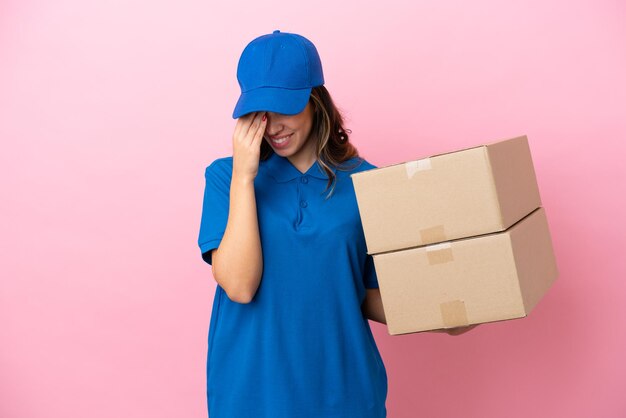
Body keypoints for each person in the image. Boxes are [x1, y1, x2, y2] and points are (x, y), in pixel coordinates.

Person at [197, 29, 476, 418]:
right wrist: (245, 177)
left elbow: (360, 293)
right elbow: (240, 286)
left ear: (315, 101)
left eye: (285, 108)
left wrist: (442, 313)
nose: (272, 125)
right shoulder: (226, 178)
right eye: (259, 112)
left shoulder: (369, 184)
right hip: (251, 396)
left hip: (341, 395)